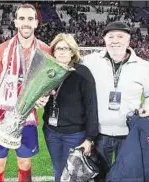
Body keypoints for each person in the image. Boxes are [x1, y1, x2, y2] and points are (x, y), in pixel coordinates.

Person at [82, 21, 149, 178]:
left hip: (129, 135)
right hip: (99, 134)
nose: (115, 40)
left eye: (120, 36)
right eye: (110, 36)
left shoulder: (142, 66)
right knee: (99, 176)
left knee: (127, 177)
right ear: (104, 40)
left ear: (128, 39)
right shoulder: (90, 61)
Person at [0, 4, 50, 182]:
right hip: (1, 117)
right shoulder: (2, 49)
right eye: (21, 18)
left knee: (25, 164)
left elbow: (49, 83)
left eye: (30, 19)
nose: (26, 23)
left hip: (27, 118)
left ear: (37, 23)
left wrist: (44, 95)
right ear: (15, 22)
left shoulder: (45, 50)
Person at [42, 33, 99, 181]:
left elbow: (91, 106)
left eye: (66, 48)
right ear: (53, 51)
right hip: (51, 132)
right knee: (58, 169)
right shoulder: (49, 72)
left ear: (72, 51)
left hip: (74, 135)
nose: (61, 51)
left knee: (73, 175)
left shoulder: (83, 73)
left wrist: (90, 138)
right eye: (58, 48)